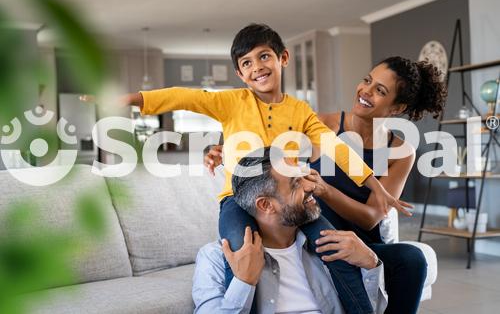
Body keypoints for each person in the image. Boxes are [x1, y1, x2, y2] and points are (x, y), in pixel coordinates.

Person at [103, 23, 412, 314]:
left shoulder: (300, 111)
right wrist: (131, 99)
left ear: (283, 58)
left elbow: (336, 148)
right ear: (239, 73)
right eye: (247, 63)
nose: (257, 66)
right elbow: (185, 97)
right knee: (238, 253)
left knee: (334, 249)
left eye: (264, 56)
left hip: (288, 199)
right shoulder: (232, 102)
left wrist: (375, 185)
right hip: (237, 200)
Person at [205, 56, 447, 314]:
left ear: (397, 108)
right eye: (367, 80)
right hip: (313, 237)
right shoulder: (321, 124)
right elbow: (268, 154)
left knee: (412, 259)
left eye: (380, 91)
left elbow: (370, 219)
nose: (366, 91)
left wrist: (324, 190)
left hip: (362, 242)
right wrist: (222, 150)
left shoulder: (401, 151)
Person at [192, 148, 388, 314]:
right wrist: (244, 281)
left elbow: (373, 309)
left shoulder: (330, 247)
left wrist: (371, 263)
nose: (311, 186)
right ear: (266, 205)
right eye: (296, 184)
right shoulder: (215, 257)